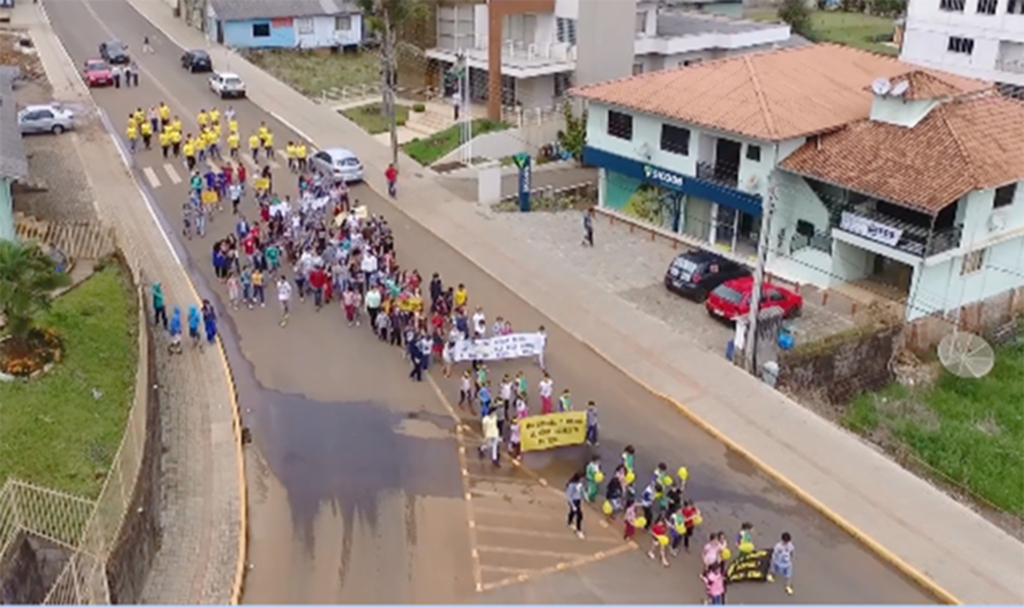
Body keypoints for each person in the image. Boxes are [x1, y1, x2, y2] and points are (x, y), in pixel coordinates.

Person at [565, 472, 585, 539]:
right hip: (573, 501)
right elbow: (569, 495)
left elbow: (581, 492)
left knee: (572, 512)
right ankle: (579, 530)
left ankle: (569, 522)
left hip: (578, 500)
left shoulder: (580, 485)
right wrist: (572, 505)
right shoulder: (571, 485)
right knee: (579, 515)